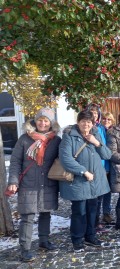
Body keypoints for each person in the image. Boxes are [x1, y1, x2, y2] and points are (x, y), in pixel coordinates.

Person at [7, 108, 62, 262]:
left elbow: (62, 158)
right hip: (28, 184)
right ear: (35, 121)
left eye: (46, 121)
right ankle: (25, 249)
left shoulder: (56, 140)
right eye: (40, 120)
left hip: (47, 183)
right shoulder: (24, 139)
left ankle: (44, 241)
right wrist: (13, 181)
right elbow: (15, 161)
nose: (42, 123)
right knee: (27, 217)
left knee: (46, 213)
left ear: (51, 123)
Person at [59, 110, 112, 251]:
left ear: (93, 123)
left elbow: (107, 155)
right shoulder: (69, 136)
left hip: (94, 181)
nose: (86, 124)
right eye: (83, 121)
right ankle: (77, 239)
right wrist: (83, 171)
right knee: (79, 211)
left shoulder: (95, 134)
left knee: (92, 210)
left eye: (89, 122)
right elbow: (66, 159)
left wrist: (97, 143)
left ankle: (90, 235)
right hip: (79, 181)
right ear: (78, 122)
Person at [86, 104, 112, 230]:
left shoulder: (101, 128)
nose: (94, 114)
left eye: (96, 113)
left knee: (100, 196)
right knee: (92, 198)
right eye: (91, 112)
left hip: (103, 166)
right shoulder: (86, 127)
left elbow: (105, 147)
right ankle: (91, 223)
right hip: (91, 167)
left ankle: (96, 221)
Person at [99, 112, 115, 224]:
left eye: (109, 119)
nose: (106, 121)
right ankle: (96, 214)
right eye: (104, 119)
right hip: (101, 165)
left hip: (111, 165)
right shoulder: (98, 130)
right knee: (99, 192)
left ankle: (106, 213)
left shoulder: (114, 131)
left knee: (108, 191)